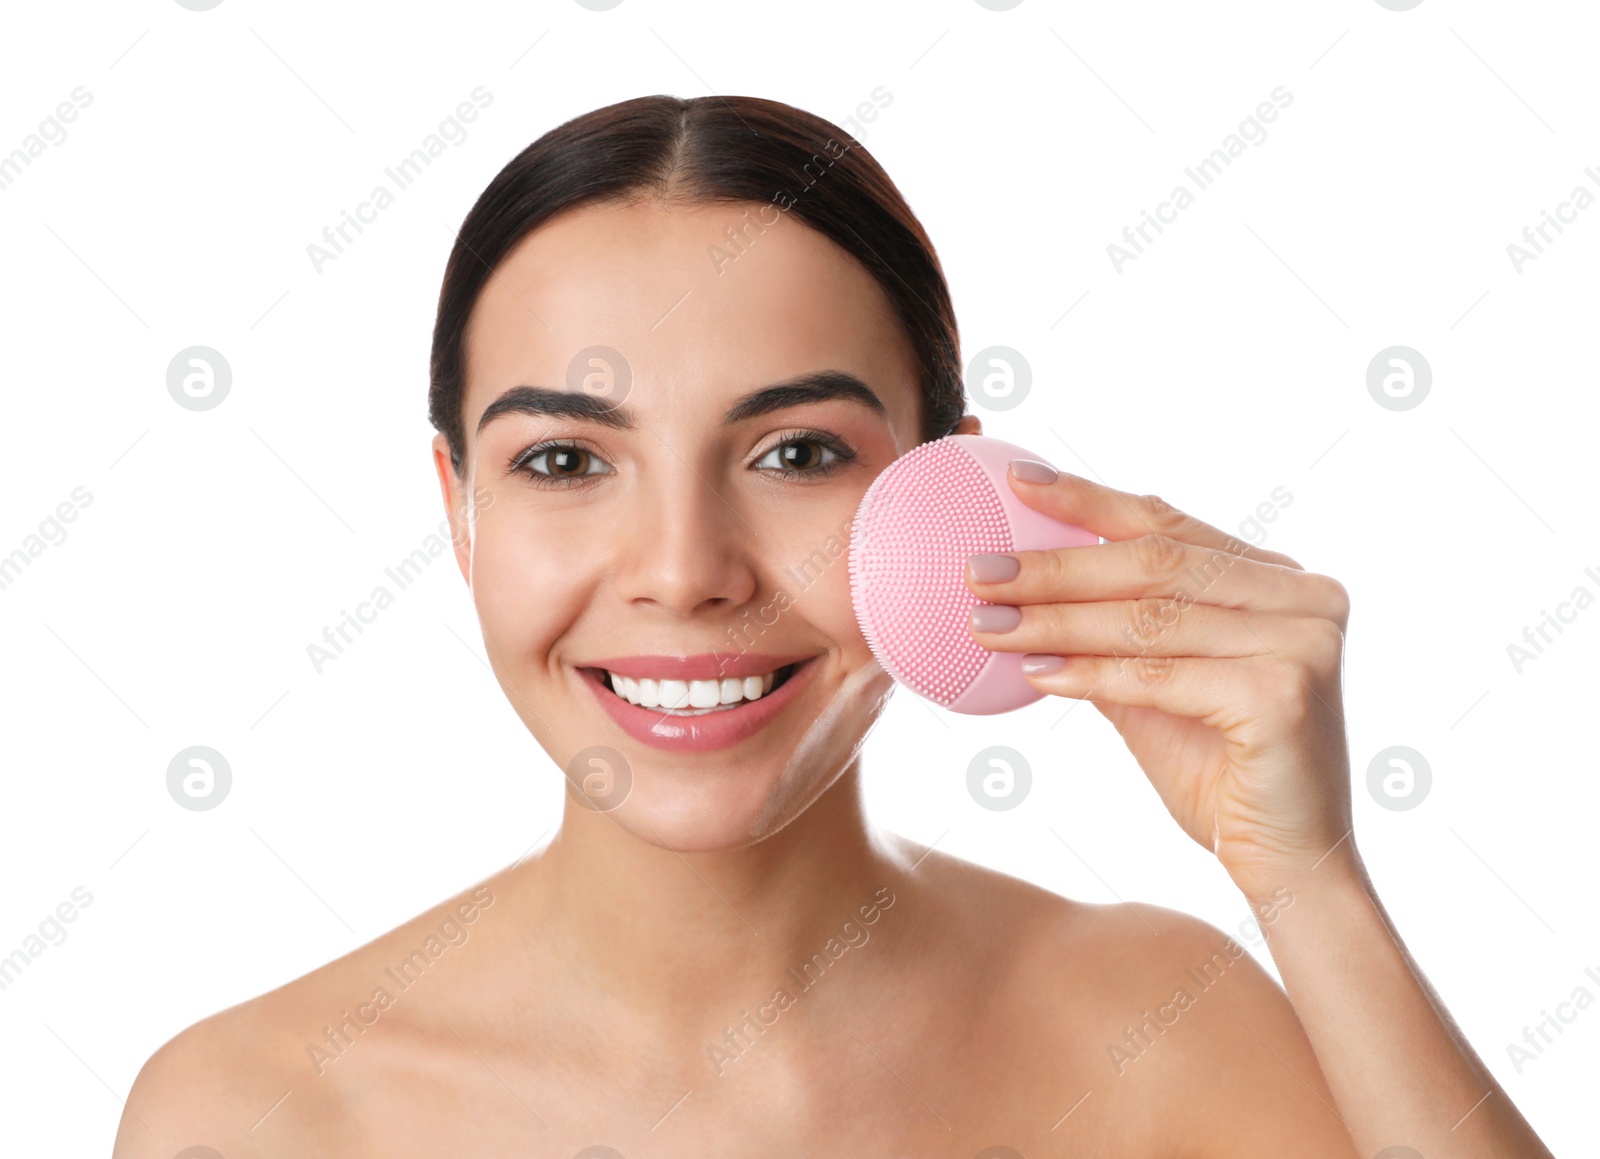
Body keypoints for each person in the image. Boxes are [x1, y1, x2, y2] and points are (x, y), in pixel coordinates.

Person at [114, 94, 1554, 1158]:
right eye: (563, 461)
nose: (686, 573)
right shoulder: (254, 1115)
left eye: (798, 452)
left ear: (962, 489)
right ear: (459, 507)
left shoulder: (1165, 1032)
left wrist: (1306, 874)